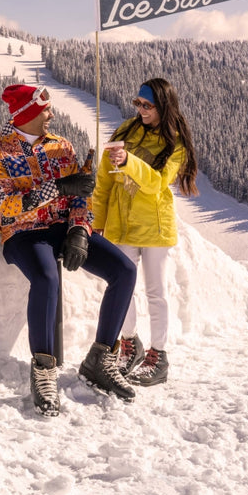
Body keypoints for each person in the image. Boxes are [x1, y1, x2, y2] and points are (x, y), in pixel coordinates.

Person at [0, 84, 138, 416]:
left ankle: (101, 358)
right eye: (46, 109)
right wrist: (58, 188)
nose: (52, 114)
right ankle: (43, 370)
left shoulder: (61, 146)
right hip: (24, 232)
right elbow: (8, 207)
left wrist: (80, 228)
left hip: (63, 227)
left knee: (124, 271)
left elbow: (81, 194)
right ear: (29, 114)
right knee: (46, 279)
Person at [91, 78, 199, 387]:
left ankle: (158, 356)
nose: (140, 110)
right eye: (137, 103)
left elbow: (156, 183)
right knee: (120, 286)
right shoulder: (127, 129)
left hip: (153, 227)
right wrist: (98, 219)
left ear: (164, 106)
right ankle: (129, 344)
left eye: (146, 105)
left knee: (155, 293)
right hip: (121, 225)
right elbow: (105, 178)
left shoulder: (175, 143)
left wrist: (129, 161)